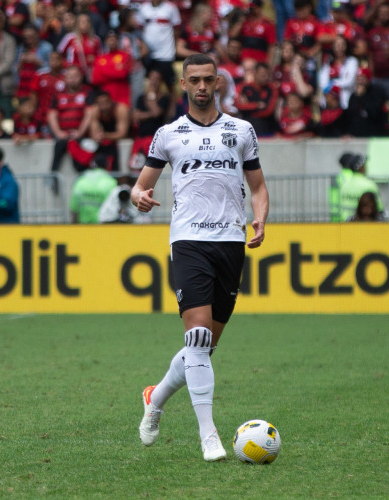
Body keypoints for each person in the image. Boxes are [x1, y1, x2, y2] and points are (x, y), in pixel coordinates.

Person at [131, 53, 269, 462]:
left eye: (209, 79)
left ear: (219, 83)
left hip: (230, 241)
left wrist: (259, 219)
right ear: (184, 85)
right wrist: (139, 196)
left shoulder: (241, 131)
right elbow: (141, 185)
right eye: (195, 80)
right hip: (188, 241)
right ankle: (208, 434)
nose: (203, 87)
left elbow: (257, 187)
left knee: (204, 348)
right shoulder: (168, 134)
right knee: (197, 337)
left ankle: (155, 395)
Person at [69, 154, 118, 223]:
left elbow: (74, 208)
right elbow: (115, 207)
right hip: (103, 227)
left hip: (83, 226)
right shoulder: (111, 182)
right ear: (107, 165)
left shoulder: (81, 180)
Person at [337, 153, 384, 222]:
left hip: (345, 223)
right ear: (361, 167)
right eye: (364, 164)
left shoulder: (344, 185)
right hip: (364, 223)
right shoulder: (369, 185)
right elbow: (379, 208)